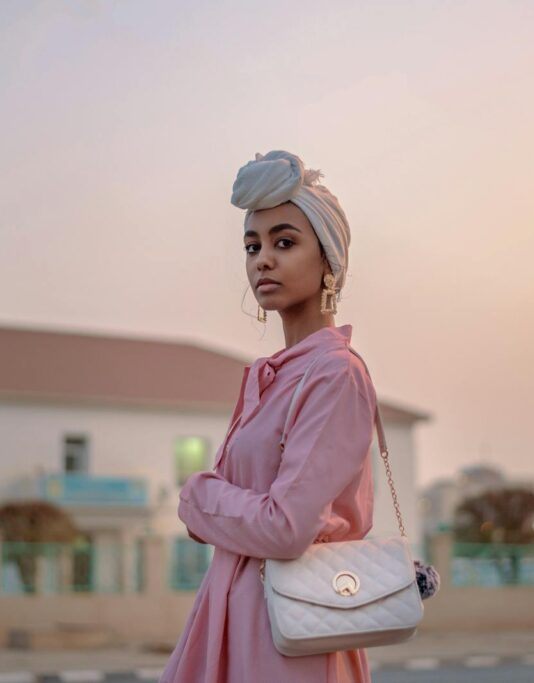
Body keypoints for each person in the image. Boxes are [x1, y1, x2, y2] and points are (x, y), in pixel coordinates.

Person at [160, 151, 377, 683]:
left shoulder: (334, 374)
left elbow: (285, 527)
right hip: (231, 618)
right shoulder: (268, 377)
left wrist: (196, 499)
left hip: (291, 637)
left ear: (328, 259)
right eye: (252, 246)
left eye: (285, 242)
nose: (263, 260)